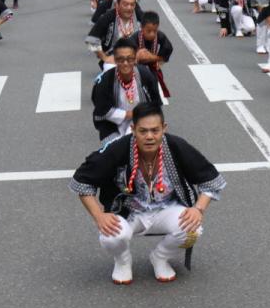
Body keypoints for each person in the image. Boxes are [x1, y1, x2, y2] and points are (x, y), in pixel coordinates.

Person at [69, 102, 226, 284]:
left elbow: (212, 181)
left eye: (155, 130)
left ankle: (160, 257)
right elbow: (81, 182)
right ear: (133, 129)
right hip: (129, 212)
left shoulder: (176, 146)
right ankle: (122, 261)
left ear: (163, 128)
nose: (150, 137)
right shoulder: (117, 148)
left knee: (193, 230)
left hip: (166, 209)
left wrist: (198, 209)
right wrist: (98, 216)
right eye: (143, 131)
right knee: (111, 236)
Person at [91, 38, 163, 139]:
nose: (125, 63)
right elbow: (102, 111)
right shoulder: (104, 82)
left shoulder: (146, 76)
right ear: (115, 59)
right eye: (121, 59)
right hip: (112, 125)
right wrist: (127, 114)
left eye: (129, 59)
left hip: (141, 121)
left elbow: (156, 104)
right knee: (115, 151)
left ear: (135, 59)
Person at [131, 12, 173, 97]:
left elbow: (168, 48)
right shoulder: (135, 37)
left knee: (154, 85)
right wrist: (137, 57)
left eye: (155, 31)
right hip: (136, 67)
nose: (152, 34)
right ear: (142, 28)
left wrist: (157, 59)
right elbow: (127, 52)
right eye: (149, 31)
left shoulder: (160, 36)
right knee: (137, 89)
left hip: (152, 67)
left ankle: (155, 104)